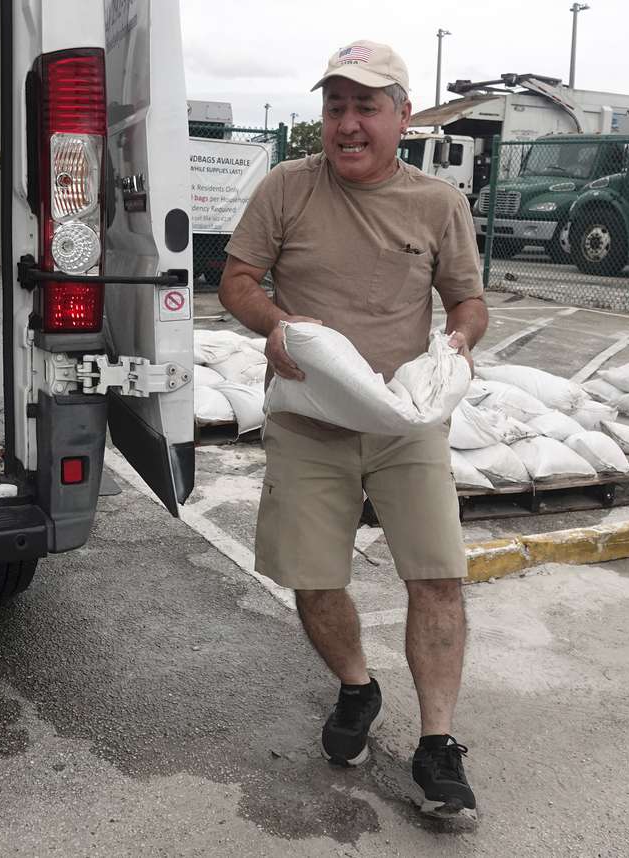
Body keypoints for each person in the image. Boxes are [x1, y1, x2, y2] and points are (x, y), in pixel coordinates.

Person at [218, 39, 489, 818]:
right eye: (335, 105)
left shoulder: (439, 204)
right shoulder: (285, 188)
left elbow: (468, 301)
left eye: (365, 106)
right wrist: (273, 324)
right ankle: (357, 688)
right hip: (309, 417)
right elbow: (237, 279)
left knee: (437, 574)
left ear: (402, 116)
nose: (346, 123)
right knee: (313, 575)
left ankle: (438, 744)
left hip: (405, 420)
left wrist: (459, 346)